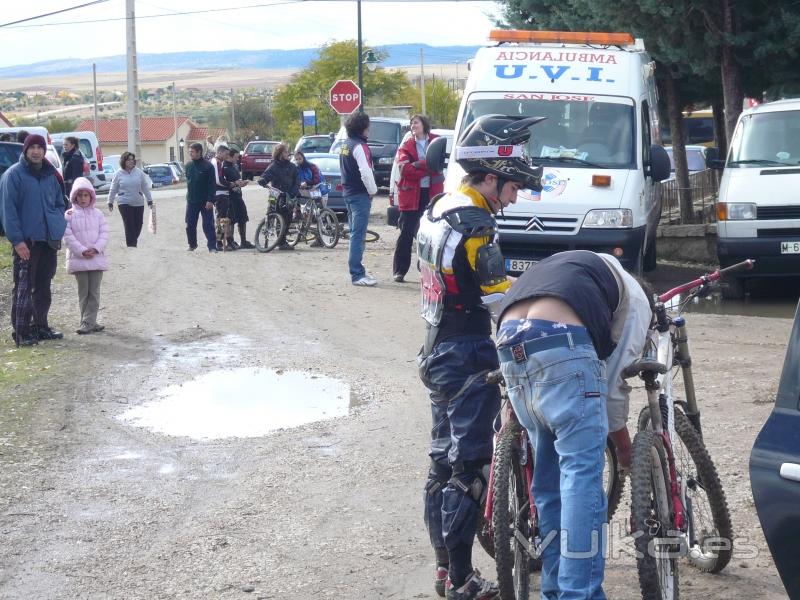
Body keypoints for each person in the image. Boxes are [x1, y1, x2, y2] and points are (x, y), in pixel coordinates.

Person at [416, 114, 543, 600]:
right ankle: (464, 580)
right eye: (512, 187)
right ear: (490, 176)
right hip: (467, 351)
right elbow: (497, 301)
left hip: (435, 345)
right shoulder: (477, 227)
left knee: (440, 466)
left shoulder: (439, 206)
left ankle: (444, 570)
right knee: (468, 470)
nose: (515, 197)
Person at [494, 250, 651, 600]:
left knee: (549, 486)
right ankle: (579, 595)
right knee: (581, 477)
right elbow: (611, 388)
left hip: (509, 340)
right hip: (561, 341)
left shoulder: (575, 267)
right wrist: (626, 454)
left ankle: (555, 591)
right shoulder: (638, 301)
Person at [0, 134, 67, 345]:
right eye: (32, 147)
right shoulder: (13, 175)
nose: (36, 151)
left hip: (48, 240)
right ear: (25, 150)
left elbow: (60, 203)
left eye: (40, 147)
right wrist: (17, 241)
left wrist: (57, 226)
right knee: (23, 287)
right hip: (26, 242)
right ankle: (22, 331)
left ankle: (40, 326)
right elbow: (7, 211)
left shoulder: (50, 175)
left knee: (43, 285)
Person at [392, 114, 444, 283]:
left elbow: (439, 164)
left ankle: (425, 270)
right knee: (406, 234)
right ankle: (399, 271)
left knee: (430, 236)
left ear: (424, 125)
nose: (413, 125)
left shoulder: (437, 141)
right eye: (411, 123)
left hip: (432, 195)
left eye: (416, 122)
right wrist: (428, 164)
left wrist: (417, 164)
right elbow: (406, 170)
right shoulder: (406, 146)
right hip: (411, 196)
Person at [63, 177, 109, 335]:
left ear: (91, 196)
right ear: (74, 196)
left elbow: (104, 233)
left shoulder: (98, 214)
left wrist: (96, 248)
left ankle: (89, 321)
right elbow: (68, 237)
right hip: (79, 259)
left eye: (86, 195)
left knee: (94, 292)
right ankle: (87, 321)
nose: (83, 199)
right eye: (80, 195)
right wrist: (82, 250)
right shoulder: (69, 215)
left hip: (96, 258)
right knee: (84, 292)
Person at [339, 112, 378, 286]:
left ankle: (358, 269)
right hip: (360, 195)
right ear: (362, 127)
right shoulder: (360, 147)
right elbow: (366, 172)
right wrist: (372, 190)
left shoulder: (345, 145)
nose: (370, 129)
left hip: (348, 194)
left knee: (355, 232)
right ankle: (357, 274)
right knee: (358, 235)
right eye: (368, 126)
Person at [107, 152, 153, 247]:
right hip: (124, 202)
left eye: (132, 159)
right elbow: (113, 188)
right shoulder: (118, 173)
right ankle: (131, 245)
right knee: (129, 224)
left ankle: (133, 240)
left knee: (138, 224)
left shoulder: (139, 172)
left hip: (138, 202)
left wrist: (149, 200)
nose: (131, 161)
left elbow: (145, 187)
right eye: (129, 160)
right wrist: (110, 201)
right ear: (124, 161)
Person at [257, 143, 298, 251]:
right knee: (271, 214)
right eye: (285, 151)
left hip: (288, 196)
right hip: (275, 195)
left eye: (287, 151)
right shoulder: (273, 166)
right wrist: (262, 181)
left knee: (287, 218)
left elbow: (296, 181)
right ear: (279, 153)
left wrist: (293, 192)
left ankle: (282, 241)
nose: (287, 153)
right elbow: (265, 176)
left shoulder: (292, 166)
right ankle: (266, 234)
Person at [184, 142, 217, 252]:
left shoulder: (208, 166)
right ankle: (192, 245)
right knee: (190, 225)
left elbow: (212, 185)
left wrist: (210, 200)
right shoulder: (188, 166)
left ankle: (212, 246)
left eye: (192, 152)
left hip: (205, 201)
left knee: (208, 225)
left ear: (199, 152)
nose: (190, 154)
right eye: (189, 152)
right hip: (192, 201)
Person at [224, 148, 253, 249]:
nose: (238, 159)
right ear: (230, 156)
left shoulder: (235, 166)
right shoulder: (224, 167)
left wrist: (242, 182)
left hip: (238, 196)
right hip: (229, 197)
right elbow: (224, 183)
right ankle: (229, 241)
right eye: (236, 157)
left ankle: (243, 241)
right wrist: (236, 183)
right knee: (230, 219)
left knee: (243, 217)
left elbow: (237, 180)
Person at [209, 142, 236, 251]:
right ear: (219, 152)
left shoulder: (220, 162)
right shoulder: (216, 162)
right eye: (225, 154)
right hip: (219, 194)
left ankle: (226, 241)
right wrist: (230, 184)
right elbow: (218, 179)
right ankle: (218, 242)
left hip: (223, 194)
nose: (227, 156)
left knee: (225, 218)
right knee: (221, 218)